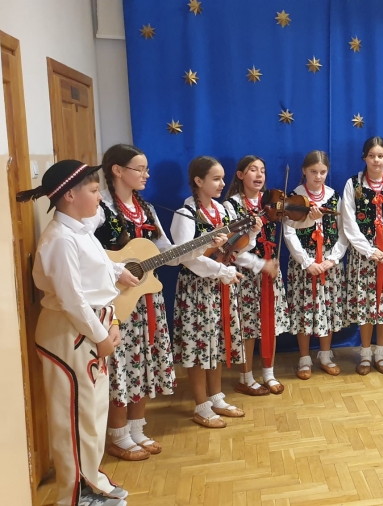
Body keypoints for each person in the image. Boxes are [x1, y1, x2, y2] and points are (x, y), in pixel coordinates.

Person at [16, 159, 140, 506]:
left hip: (91, 328)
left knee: (92, 412)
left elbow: (93, 271)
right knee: (73, 416)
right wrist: (100, 336)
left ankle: (91, 480)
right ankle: (73, 494)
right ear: (69, 195)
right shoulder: (59, 239)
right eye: (94, 190)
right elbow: (72, 298)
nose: (100, 197)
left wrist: (115, 278)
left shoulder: (81, 229)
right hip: (70, 335)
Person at [93, 144, 226, 461]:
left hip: (146, 298)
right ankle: (118, 434)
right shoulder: (101, 209)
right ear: (117, 170)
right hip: (117, 300)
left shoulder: (147, 210)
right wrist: (117, 269)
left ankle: (136, 428)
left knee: (144, 361)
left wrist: (204, 243)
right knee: (122, 365)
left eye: (146, 169)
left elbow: (168, 254)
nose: (146, 175)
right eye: (139, 169)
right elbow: (90, 253)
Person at [171, 156, 262, 428]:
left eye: (223, 178)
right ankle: (201, 405)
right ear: (199, 181)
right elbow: (186, 256)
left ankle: (216, 396)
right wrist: (221, 270)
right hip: (197, 288)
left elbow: (234, 248)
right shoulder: (186, 213)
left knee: (218, 342)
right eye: (216, 179)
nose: (222, 184)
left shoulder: (222, 210)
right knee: (200, 345)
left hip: (220, 286)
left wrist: (252, 234)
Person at [223, 155, 290, 396]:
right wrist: (260, 265)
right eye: (253, 170)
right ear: (241, 175)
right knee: (248, 327)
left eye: (262, 170)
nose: (259, 174)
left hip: (270, 270)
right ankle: (246, 377)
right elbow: (231, 249)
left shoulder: (271, 201)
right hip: (245, 273)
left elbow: (293, 223)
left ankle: (268, 374)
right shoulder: (230, 206)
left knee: (269, 322)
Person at [342, 137, 383, 375]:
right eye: (372, 156)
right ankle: (365, 355)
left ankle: (381, 354)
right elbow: (348, 221)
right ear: (365, 158)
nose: (376, 160)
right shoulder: (353, 184)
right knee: (367, 306)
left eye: (380, 156)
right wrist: (369, 251)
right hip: (364, 258)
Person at [284, 150, 348, 379]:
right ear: (304, 171)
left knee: (327, 309)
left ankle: (325, 355)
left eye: (322, 172)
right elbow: (289, 231)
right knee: (304, 308)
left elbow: (343, 231)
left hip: (328, 261)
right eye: (313, 172)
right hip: (305, 262)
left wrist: (333, 258)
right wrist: (306, 261)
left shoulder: (333, 196)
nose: (318, 176)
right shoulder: (294, 197)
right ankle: (304, 358)